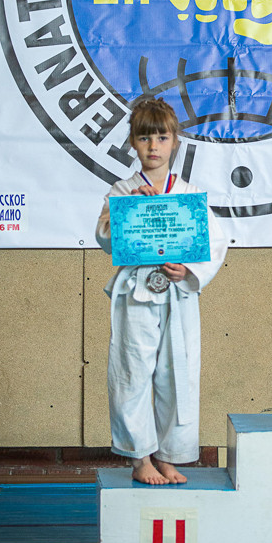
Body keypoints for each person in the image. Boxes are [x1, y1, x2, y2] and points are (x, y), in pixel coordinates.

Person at [95, 98, 227, 485]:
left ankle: (170, 455)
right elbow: (104, 238)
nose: (153, 146)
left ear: (175, 142)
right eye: (144, 138)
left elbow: (216, 244)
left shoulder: (189, 193)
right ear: (133, 143)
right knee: (132, 371)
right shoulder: (122, 191)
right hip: (136, 291)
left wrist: (189, 270)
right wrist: (127, 212)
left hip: (178, 293)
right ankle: (140, 459)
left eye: (162, 138)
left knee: (177, 373)